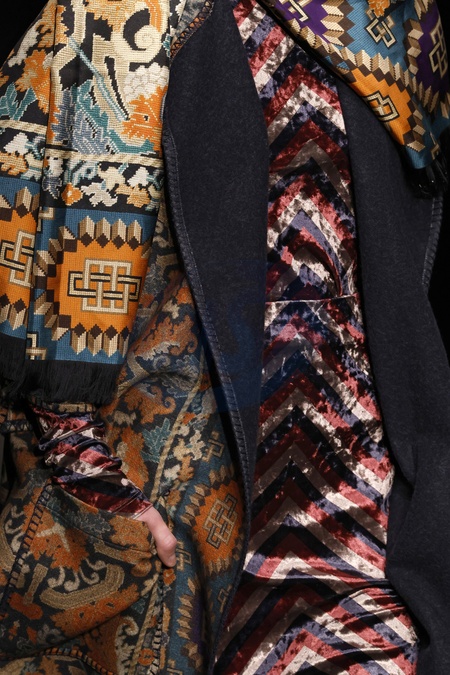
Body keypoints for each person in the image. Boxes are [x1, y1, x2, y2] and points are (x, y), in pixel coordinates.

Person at [0, 0, 449, 674]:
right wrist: (97, 488)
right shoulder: (107, 19)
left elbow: (400, 288)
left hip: (362, 516)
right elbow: (38, 270)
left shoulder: (385, 18)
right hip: (183, 527)